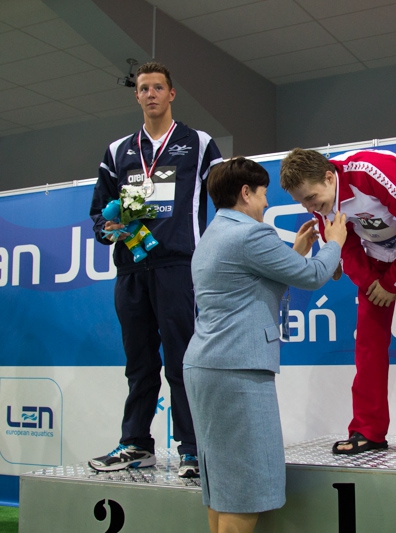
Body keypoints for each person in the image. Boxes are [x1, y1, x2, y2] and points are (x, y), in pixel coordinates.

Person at [183, 157, 346, 533]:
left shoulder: (215, 233)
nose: (267, 203)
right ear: (245, 193)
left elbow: (253, 282)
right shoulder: (251, 235)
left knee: (222, 486)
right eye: (263, 194)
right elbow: (315, 276)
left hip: (208, 366)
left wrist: (298, 251)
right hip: (236, 370)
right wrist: (333, 243)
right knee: (246, 489)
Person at [88, 61, 223, 478]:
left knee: (183, 361)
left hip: (179, 266)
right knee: (140, 361)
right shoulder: (118, 151)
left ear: (171, 94)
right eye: (143, 88)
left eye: (158, 87)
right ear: (137, 96)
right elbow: (99, 210)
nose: (150, 94)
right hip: (131, 267)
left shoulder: (198, 143)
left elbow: (226, 194)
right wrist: (107, 229)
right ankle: (135, 444)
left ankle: (193, 448)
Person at [280, 148, 396, 458]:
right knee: (368, 340)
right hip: (376, 252)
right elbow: (346, 243)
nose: (309, 207)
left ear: (330, 177)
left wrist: (390, 283)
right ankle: (368, 429)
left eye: (312, 198)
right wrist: (372, 283)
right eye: (302, 202)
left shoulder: (374, 173)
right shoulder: (321, 199)